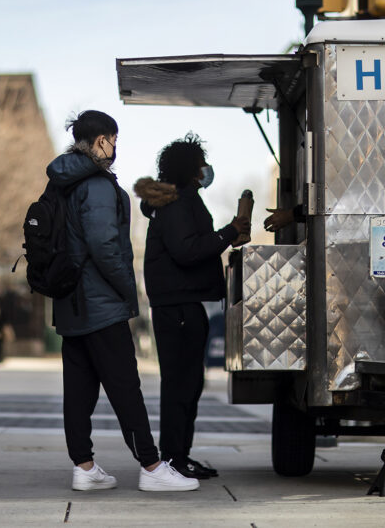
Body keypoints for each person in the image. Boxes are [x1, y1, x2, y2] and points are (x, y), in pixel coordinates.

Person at [47, 110, 198, 492]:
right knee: (125, 386)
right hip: (100, 303)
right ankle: (151, 467)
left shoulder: (60, 182)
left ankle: (84, 467)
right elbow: (105, 246)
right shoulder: (96, 184)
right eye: (114, 140)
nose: (115, 147)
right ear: (102, 141)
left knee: (78, 389)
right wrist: (128, 293)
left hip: (70, 302)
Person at [134, 133, 250, 480]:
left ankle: (179, 455)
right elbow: (186, 251)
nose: (205, 168)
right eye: (200, 161)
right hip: (178, 306)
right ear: (190, 169)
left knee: (188, 384)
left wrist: (227, 234)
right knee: (180, 385)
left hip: (184, 303)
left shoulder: (182, 202)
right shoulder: (176, 205)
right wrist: (229, 232)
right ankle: (172, 459)